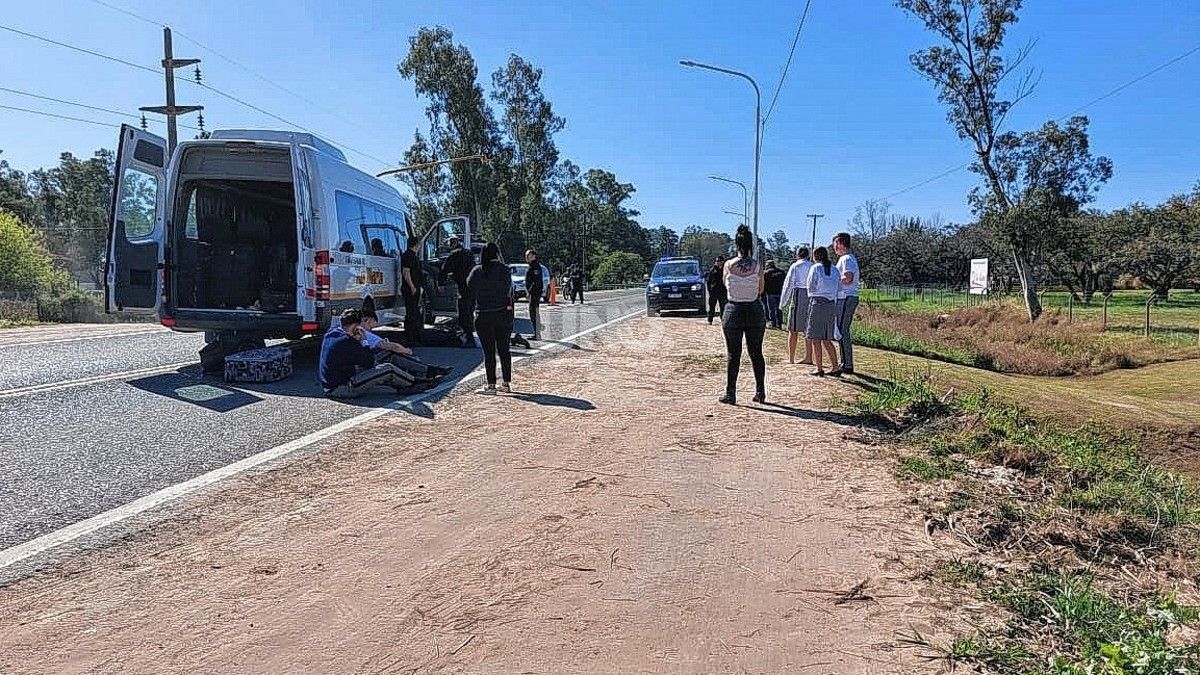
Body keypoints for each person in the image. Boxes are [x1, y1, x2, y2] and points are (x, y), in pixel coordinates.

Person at [319, 309, 424, 398]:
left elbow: (362, 359)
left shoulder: (332, 333)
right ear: (355, 326)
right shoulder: (346, 341)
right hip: (342, 387)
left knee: (387, 354)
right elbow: (369, 361)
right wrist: (363, 340)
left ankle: (423, 371)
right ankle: (415, 382)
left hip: (336, 381)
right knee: (388, 369)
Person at [720, 225, 767, 405]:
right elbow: (761, 289)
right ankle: (760, 392)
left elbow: (726, 285)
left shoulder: (728, 265)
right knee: (756, 353)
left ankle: (730, 393)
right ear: (751, 246)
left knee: (733, 354)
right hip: (754, 310)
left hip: (733, 311)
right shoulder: (757, 266)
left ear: (736, 245)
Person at [467, 241, 515, 395]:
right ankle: (506, 383)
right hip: (503, 314)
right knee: (504, 349)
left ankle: (491, 385)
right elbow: (510, 289)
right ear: (497, 254)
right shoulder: (505, 270)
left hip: (484, 314)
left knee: (489, 352)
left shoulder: (478, 270)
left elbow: (469, 288)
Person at [360, 311, 453, 381]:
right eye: (371, 326)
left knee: (395, 353)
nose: (371, 329)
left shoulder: (354, 331)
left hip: (363, 359)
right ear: (367, 320)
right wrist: (406, 351)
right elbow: (390, 346)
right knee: (392, 353)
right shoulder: (363, 332)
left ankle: (427, 370)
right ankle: (423, 373)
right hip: (365, 362)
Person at [805, 247, 841, 377]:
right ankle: (835, 366)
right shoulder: (835, 269)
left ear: (815, 256)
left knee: (815, 338)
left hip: (818, 303)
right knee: (827, 338)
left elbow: (810, 286)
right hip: (831, 304)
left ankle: (819, 368)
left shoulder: (815, 268)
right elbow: (839, 287)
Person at [779, 246, 813, 365]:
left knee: (793, 329)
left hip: (799, 294)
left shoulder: (795, 266)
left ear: (797, 255)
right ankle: (809, 356)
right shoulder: (812, 265)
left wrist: (782, 302)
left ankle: (791, 358)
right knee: (808, 329)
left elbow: (788, 284)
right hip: (812, 295)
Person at [832, 232, 860, 376]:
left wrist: (833, 280)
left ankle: (847, 364)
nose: (834, 247)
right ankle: (845, 362)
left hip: (847, 297)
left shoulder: (846, 259)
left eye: (835, 243)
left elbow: (848, 278)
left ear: (840, 243)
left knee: (843, 331)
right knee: (842, 330)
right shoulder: (847, 258)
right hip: (848, 297)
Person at [440, 236, 476, 347]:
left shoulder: (453, 255)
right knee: (470, 311)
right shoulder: (469, 253)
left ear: (452, 245)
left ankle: (469, 338)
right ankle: (469, 334)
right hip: (473, 286)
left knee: (464, 313)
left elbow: (444, 270)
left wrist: (441, 283)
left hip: (462, 287)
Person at [400, 237, 424, 346]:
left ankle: (415, 336)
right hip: (410, 289)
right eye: (418, 245)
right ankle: (411, 337)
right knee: (411, 312)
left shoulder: (413, 256)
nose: (419, 247)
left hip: (414, 287)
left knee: (414, 312)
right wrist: (412, 286)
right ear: (416, 245)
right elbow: (406, 272)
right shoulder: (408, 255)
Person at [524, 249, 544, 340]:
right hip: (534, 292)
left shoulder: (535, 266)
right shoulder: (532, 266)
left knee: (534, 312)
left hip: (535, 292)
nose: (526, 257)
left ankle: (537, 333)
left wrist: (530, 292)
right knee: (533, 312)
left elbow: (536, 282)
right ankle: (536, 332)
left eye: (528, 255)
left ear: (533, 256)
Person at [763, 260, 786, 330]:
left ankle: (773, 323)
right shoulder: (782, 272)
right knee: (779, 309)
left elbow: (763, 284)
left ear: (768, 265)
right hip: (780, 293)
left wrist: (763, 293)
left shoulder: (766, 273)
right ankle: (779, 324)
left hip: (770, 293)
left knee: (771, 309)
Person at [704, 255, 727, 325]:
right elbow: (708, 281)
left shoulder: (725, 269)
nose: (717, 262)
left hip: (722, 291)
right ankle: (710, 319)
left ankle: (723, 319)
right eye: (717, 261)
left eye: (719, 261)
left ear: (722, 262)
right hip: (713, 291)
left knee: (723, 306)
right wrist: (709, 290)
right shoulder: (713, 270)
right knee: (712, 306)